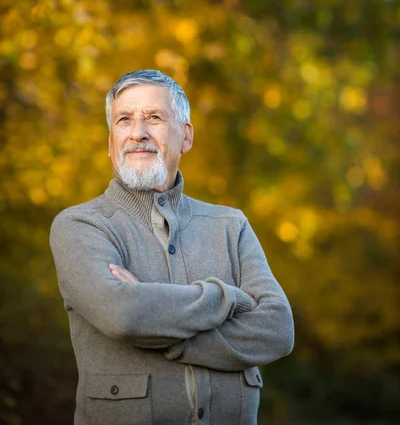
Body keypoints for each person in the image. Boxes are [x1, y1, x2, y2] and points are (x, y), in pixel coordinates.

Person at [50, 69, 294, 425]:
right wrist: (230, 298)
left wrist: (170, 337)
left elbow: (278, 330)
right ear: (110, 142)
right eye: (124, 120)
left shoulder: (231, 225)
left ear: (186, 136)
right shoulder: (81, 225)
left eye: (154, 117)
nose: (138, 133)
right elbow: (123, 314)